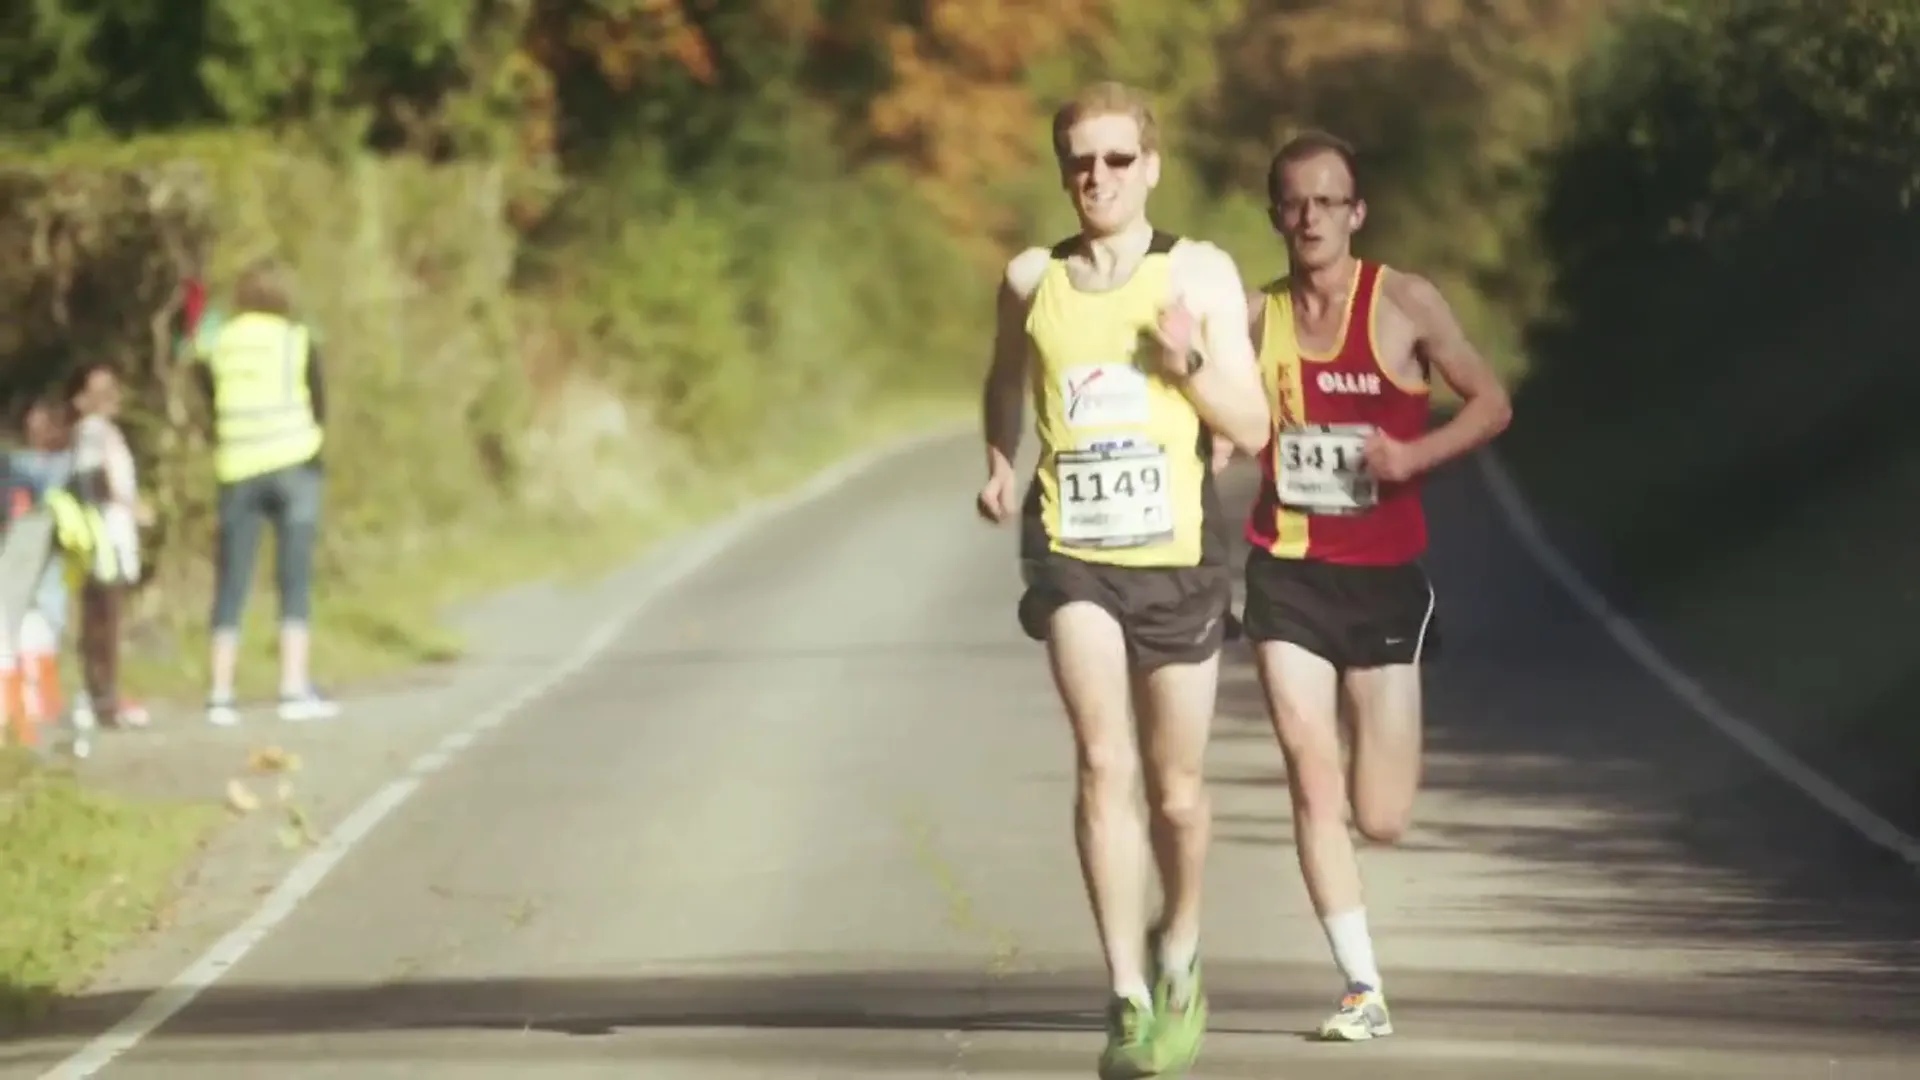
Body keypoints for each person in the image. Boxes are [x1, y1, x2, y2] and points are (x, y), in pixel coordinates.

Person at [976, 82, 1272, 1078]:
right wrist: (999, 459)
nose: (1095, 178)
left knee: (1177, 793)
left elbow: (1253, 424)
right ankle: (1126, 998)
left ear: (1150, 166)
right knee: (1104, 763)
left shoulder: (1199, 273)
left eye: (1114, 159)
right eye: (1079, 161)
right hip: (1073, 553)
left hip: (1179, 557)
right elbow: (1002, 376)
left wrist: (1188, 364)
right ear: (1063, 169)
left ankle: (1179, 945)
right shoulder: (1031, 279)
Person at [1233, 130, 1511, 1041]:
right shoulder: (1255, 317)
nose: (1309, 217)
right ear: (1275, 215)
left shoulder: (1404, 302)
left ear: (1356, 212)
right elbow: (1212, 414)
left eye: (1327, 201)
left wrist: (1412, 456)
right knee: (1311, 776)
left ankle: (1365, 788)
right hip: (1288, 573)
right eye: (1293, 202)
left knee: (1380, 817)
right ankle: (1362, 987)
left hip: (1385, 581)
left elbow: (1492, 402)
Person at [192, 257, 338, 726]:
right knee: (293, 579)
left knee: (231, 580)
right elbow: (319, 399)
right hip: (294, 459)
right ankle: (292, 688)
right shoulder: (296, 338)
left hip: (237, 464)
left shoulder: (219, 340)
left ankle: (220, 694)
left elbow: (204, 389)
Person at [66, 363, 153, 730]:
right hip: (102, 536)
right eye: (99, 391)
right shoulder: (90, 432)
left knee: (107, 616)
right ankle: (102, 697)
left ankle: (105, 694)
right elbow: (91, 481)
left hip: (114, 535)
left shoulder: (106, 432)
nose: (110, 396)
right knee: (103, 618)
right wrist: (129, 506)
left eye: (112, 388)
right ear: (82, 399)